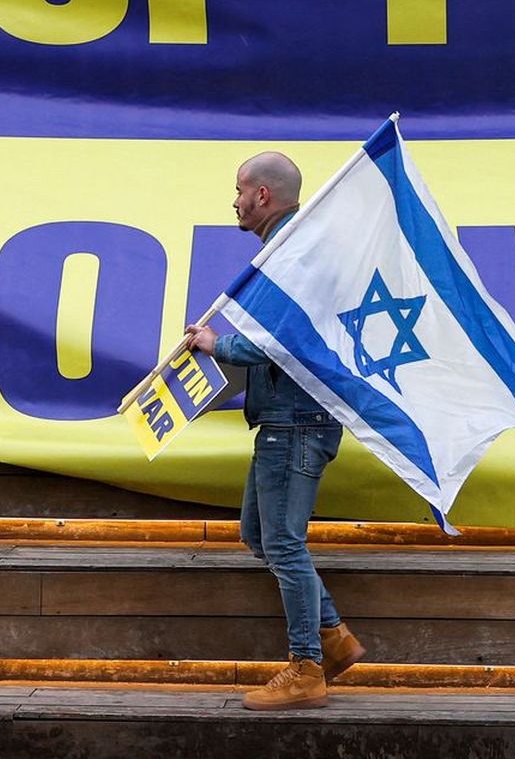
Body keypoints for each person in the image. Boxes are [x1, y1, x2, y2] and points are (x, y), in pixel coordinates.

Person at [184, 151, 366, 711]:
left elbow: (290, 343)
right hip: (286, 421)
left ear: (262, 195)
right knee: (259, 536)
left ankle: (307, 667)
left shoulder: (294, 255)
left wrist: (221, 346)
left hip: (296, 423)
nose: (234, 201)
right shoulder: (287, 252)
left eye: (239, 190)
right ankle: (334, 637)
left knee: (283, 542)